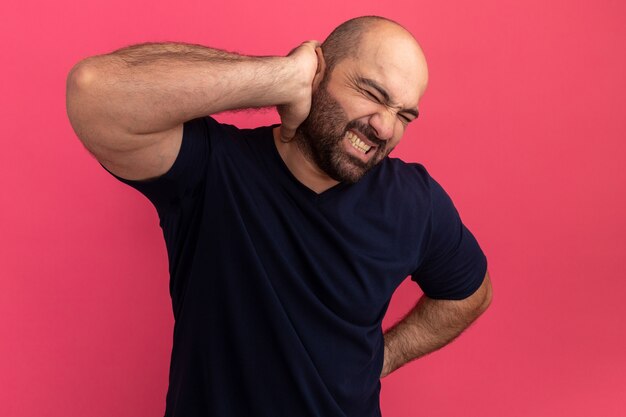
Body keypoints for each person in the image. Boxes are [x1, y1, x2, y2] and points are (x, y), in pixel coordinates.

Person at [66, 15, 492, 417]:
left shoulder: (414, 202)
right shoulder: (212, 167)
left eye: (403, 116)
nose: (384, 127)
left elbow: (472, 293)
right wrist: (281, 77)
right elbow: (92, 90)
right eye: (372, 94)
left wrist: (386, 355)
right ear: (318, 70)